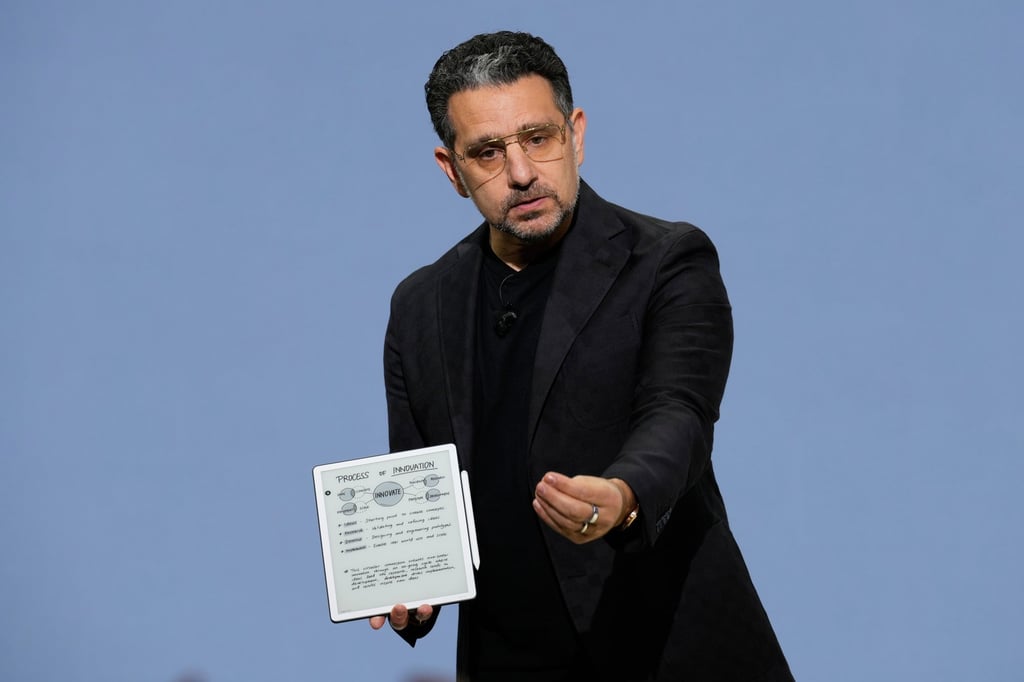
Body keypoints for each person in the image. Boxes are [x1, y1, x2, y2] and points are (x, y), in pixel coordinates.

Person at [370, 31, 793, 681]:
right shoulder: (419, 304)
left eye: (538, 138)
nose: (520, 172)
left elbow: (679, 415)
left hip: (669, 653)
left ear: (576, 133)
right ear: (450, 169)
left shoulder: (665, 260)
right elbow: (418, 487)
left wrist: (621, 495)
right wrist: (410, 590)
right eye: (487, 151)